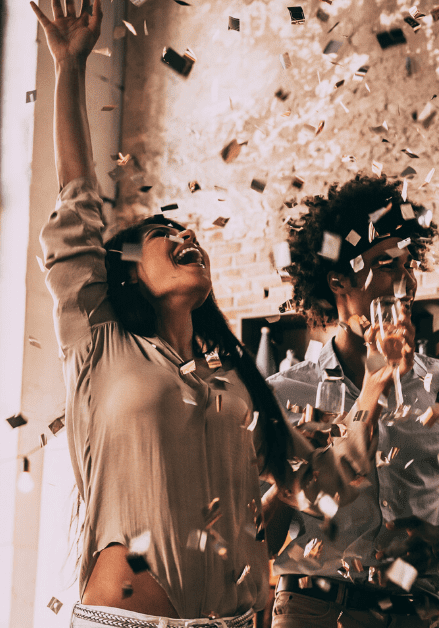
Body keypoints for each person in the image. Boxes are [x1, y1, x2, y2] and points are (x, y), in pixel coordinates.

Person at [33, 1, 376, 626]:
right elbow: (75, 209)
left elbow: (318, 491)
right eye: (163, 231)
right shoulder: (100, 343)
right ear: (127, 268)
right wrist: (69, 66)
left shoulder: (238, 381)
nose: (184, 234)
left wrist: (377, 389)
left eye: (190, 230)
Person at [265, 174, 439, 628]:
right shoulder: (284, 393)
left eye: (408, 266)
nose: (405, 282)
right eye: (388, 265)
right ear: (337, 280)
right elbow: (260, 535)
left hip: (415, 612)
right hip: (312, 609)